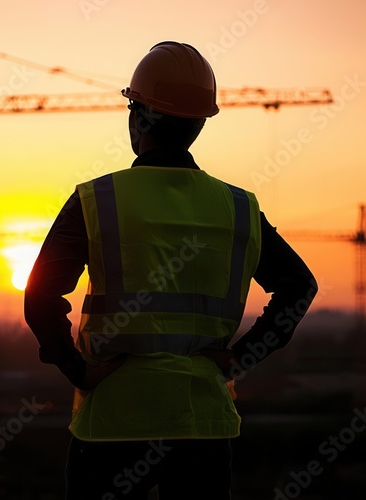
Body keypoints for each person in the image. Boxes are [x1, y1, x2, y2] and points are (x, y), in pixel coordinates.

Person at [24, 41, 317, 500]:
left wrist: (77, 370)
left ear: (136, 116)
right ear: (200, 123)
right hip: (201, 426)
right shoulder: (239, 208)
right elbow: (299, 286)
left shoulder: (96, 200)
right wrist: (243, 357)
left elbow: (40, 297)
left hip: (112, 426)